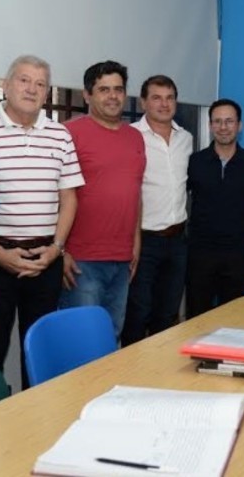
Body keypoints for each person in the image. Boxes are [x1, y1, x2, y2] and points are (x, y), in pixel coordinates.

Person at [0, 55, 84, 388]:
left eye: (40, 83)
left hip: (46, 257)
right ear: (6, 84)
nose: (32, 89)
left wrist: (56, 249)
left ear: (47, 93)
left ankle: (34, 423)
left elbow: (69, 197)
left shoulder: (60, 136)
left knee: (40, 350)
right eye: (24, 80)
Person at [59, 61, 146, 338]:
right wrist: (59, 251)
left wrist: (136, 241)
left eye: (118, 89)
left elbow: (135, 192)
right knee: (82, 345)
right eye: (104, 89)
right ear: (87, 95)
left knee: (110, 343)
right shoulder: (68, 134)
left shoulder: (135, 138)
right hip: (81, 262)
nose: (113, 96)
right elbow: (53, 196)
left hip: (122, 261)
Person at [121, 75, 192, 345]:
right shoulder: (130, 137)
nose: (164, 104)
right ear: (143, 102)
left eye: (170, 97)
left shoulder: (186, 138)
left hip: (177, 241)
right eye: (156, 97)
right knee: (137, 314)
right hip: (143, 241)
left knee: (168, 315)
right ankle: (130, 377)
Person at [186, 99, 244, 317]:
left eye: (229, 121)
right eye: (217, 121)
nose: (223, 127)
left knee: (233, 319)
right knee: (196, 318)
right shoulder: (195, 162)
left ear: (239, 125)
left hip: (236, 253)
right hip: (200, 252)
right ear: (210, 126)